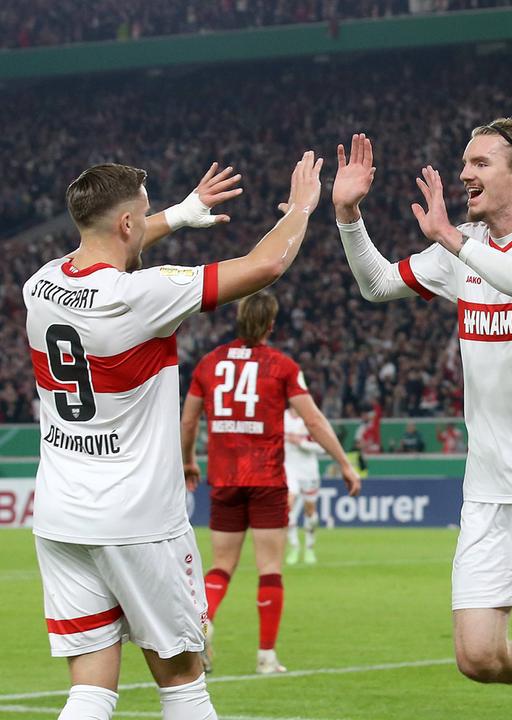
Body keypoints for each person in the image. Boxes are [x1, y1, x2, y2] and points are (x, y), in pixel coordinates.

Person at [332, 124, 512, 720]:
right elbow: (377, 284)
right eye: (464, 162)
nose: (465, 173)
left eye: (480, 162)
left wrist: (450, 239)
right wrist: (348, 216)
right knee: (478, 656)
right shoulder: (463, 247)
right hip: (489, 487)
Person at [24, 149, 323, 720]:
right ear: (127, 223)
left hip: (62, 516)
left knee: (90, 689)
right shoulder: (141, 295)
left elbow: (109, 246)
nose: (149, 221)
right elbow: (264, 266)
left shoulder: (40, 284)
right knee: (183, 681)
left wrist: (181, 214)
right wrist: (302, 208)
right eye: (145, 214)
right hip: (138, 519)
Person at [180, 291, 361, 675]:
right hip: (266, 478)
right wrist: (344, 463)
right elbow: (313, 420)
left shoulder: (209, 363)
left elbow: (189, 419)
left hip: (225, 478)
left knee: (221, 566)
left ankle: (203, 624)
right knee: (270, 568)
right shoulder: (282, 366)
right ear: (271, 324)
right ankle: (266, 657)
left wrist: (188, 460)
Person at [284, 405, 325, 565]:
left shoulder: (311, 417)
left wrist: (301, 443)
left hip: (309, 472)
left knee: (310, 512)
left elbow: (322, 447)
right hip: (289, 468)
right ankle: (294, 547)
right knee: (287, 506)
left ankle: (309, 547)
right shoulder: (281, 417)